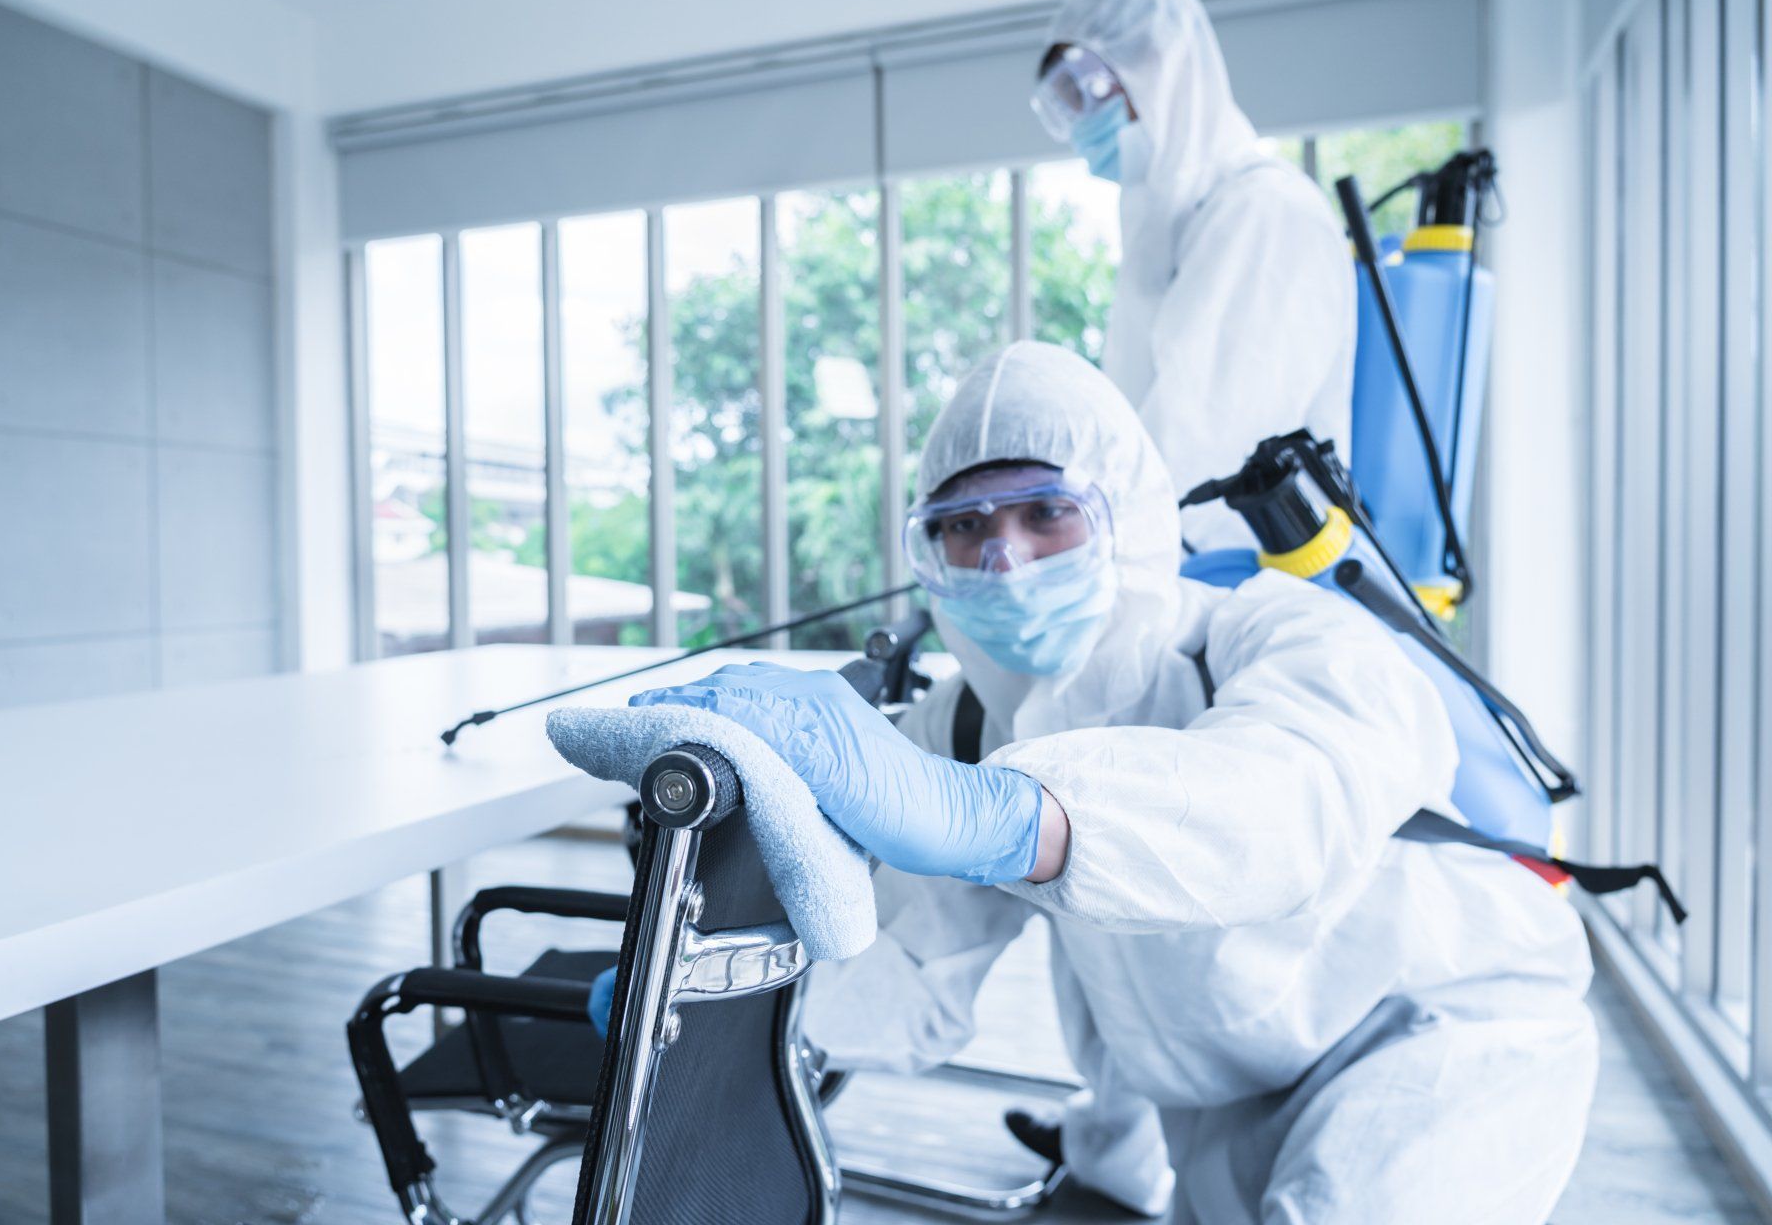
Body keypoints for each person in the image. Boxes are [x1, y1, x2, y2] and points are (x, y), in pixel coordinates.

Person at [631, 342, 1596, 1224]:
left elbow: (1281, 812)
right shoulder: (971, 721)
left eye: (1046, 512)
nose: (1005, 558)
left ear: (1125, 512)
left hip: (1440, 1038)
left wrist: (1008, 816)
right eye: (965, 526)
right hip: (1222, 1096)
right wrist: (700, 1007)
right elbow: (912, 965)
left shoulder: (1283, 635)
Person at [1033, 0, 1355, 550]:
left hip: (1250, 589)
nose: (1082, 122)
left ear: (1161, 67)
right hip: (1183, 574)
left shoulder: (1264, 213)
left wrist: (1063, 544)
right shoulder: (1175, 227)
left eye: (1088, 90)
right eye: (1065, 102)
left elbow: (1201, 447)